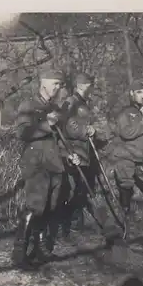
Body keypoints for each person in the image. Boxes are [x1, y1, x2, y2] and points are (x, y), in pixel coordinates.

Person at [12, 69, 80, 268]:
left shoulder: (55, 108)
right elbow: (22, 132)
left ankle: (40, 248)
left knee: (50, 207)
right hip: (36, 164)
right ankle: (19, 253)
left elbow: (58, 140)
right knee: (35, 207)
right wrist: (46, 123)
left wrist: (69, 155)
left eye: (59, 85)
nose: (57, 88)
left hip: (54, 164)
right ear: (42, 83)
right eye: (53, 84)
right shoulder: (29, 105)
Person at [57, 72, 101, 240]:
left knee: (80, 189)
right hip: (73, 150)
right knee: (71, 189)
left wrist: (93, 130)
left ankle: (75, 224)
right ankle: (64, 226)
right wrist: (86, 131)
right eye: (89, 85)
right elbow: (68, 125)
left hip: (83, 151)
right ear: (82, 86)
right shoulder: (71, 103)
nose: (91, 89)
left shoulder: (83, 103)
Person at [112, 80, 143, 225]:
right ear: (131, 94)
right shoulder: (124, 113)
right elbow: (126, 133)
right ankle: (125, 220)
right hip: (126, 156)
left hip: (142, 157)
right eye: (139, 92)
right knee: (126, 187)